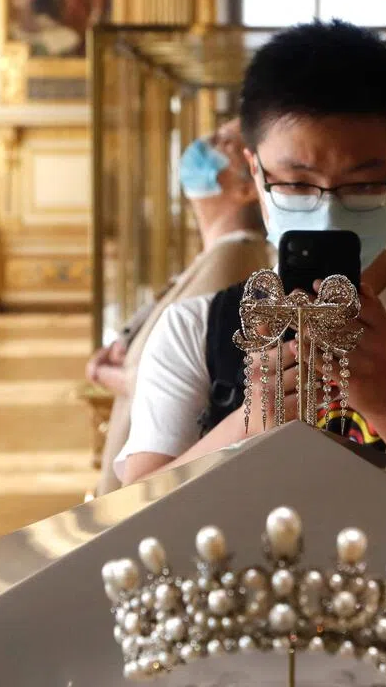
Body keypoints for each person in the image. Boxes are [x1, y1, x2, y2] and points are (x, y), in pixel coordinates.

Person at [116, 21, 386, 512]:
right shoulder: (195, 329)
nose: (327, 210)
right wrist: (251, 421)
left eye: (362, 185)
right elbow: (135, 510)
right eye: (296, 184)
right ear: (255, 171)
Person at [88, 118, 272, 496]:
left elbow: (192, 370)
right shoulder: (220, 253)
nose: (205, 141)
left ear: (246, 186)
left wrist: (114, 375)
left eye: (224, 143)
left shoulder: (233, 260)